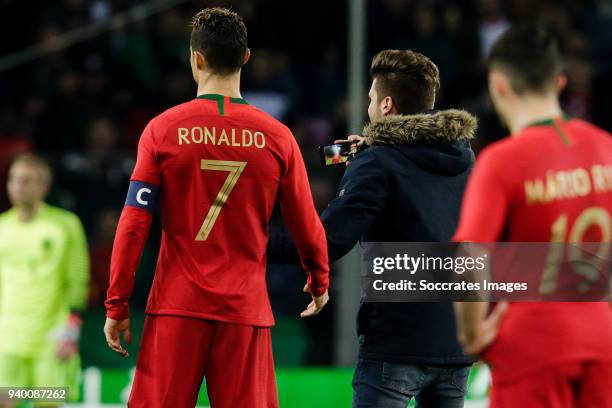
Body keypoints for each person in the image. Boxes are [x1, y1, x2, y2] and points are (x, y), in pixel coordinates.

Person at [103, 8, 330, 408]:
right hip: (244, 309)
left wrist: (117, 302)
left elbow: (134, 223)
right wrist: (318, 277)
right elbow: (305, 222)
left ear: (196, 58)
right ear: (245, 58)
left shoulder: (162, 130)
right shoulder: (277, 137)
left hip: (177, 306)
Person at [268, 49, 478, 407]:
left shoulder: (376, 162)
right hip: (454, 343)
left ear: (386, 105)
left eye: (370, 99)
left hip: (396, 342)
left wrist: (254, 242)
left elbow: (326, 242)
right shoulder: (463, 157)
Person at [453, 25, 612, 408]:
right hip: (603, 339)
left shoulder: (502, 161)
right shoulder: (606, 147)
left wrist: (472, 335)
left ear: (498, 86)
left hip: (532, 347)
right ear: (559, 82)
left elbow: (471, 255)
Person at [0, 154, 89, 404]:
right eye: (14, 179)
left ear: (44, 187)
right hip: (8, 338)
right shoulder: (2, 227)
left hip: (52, 338)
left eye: (27, 180)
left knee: (49, 400)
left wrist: (72, 330)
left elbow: (78, 279)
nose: (18, 186)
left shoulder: (65, 225)